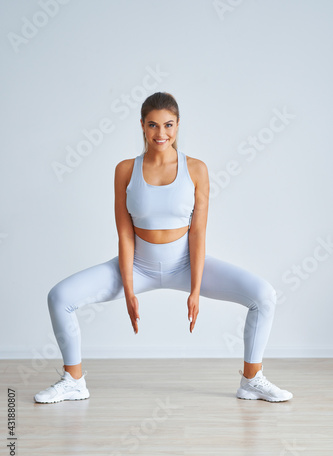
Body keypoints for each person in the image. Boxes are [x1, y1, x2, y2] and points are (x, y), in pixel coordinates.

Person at [34, 92, 293, 404]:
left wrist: (195, 289)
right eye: (153, 125)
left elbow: (197, 233)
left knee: (264, 295)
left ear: (178, 125)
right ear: (142, 126)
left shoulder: (196, 169)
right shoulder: (125, 170)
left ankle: (251, 380)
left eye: (168, 125)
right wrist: (128, 290)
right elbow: (125, 234)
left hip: (185, 265)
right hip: (136, 266)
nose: (161, 133)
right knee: (60, 297)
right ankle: (73, 381)